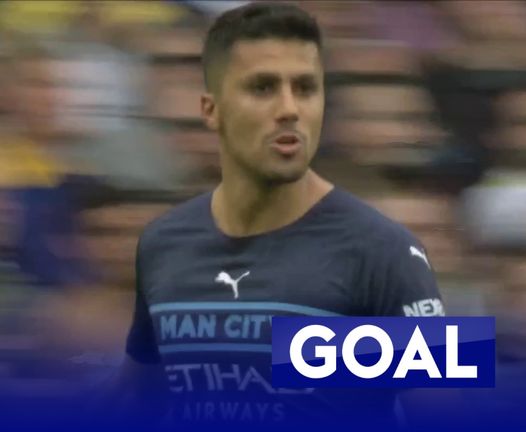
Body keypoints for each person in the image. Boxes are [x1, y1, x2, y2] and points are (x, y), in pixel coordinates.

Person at [104, 2, 448, 430]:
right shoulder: (162, 241)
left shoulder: (385, 250)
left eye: (306, 88)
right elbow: (141, 397)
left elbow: (449, 411)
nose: (290, 109)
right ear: (211, 110)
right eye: (263, 87)